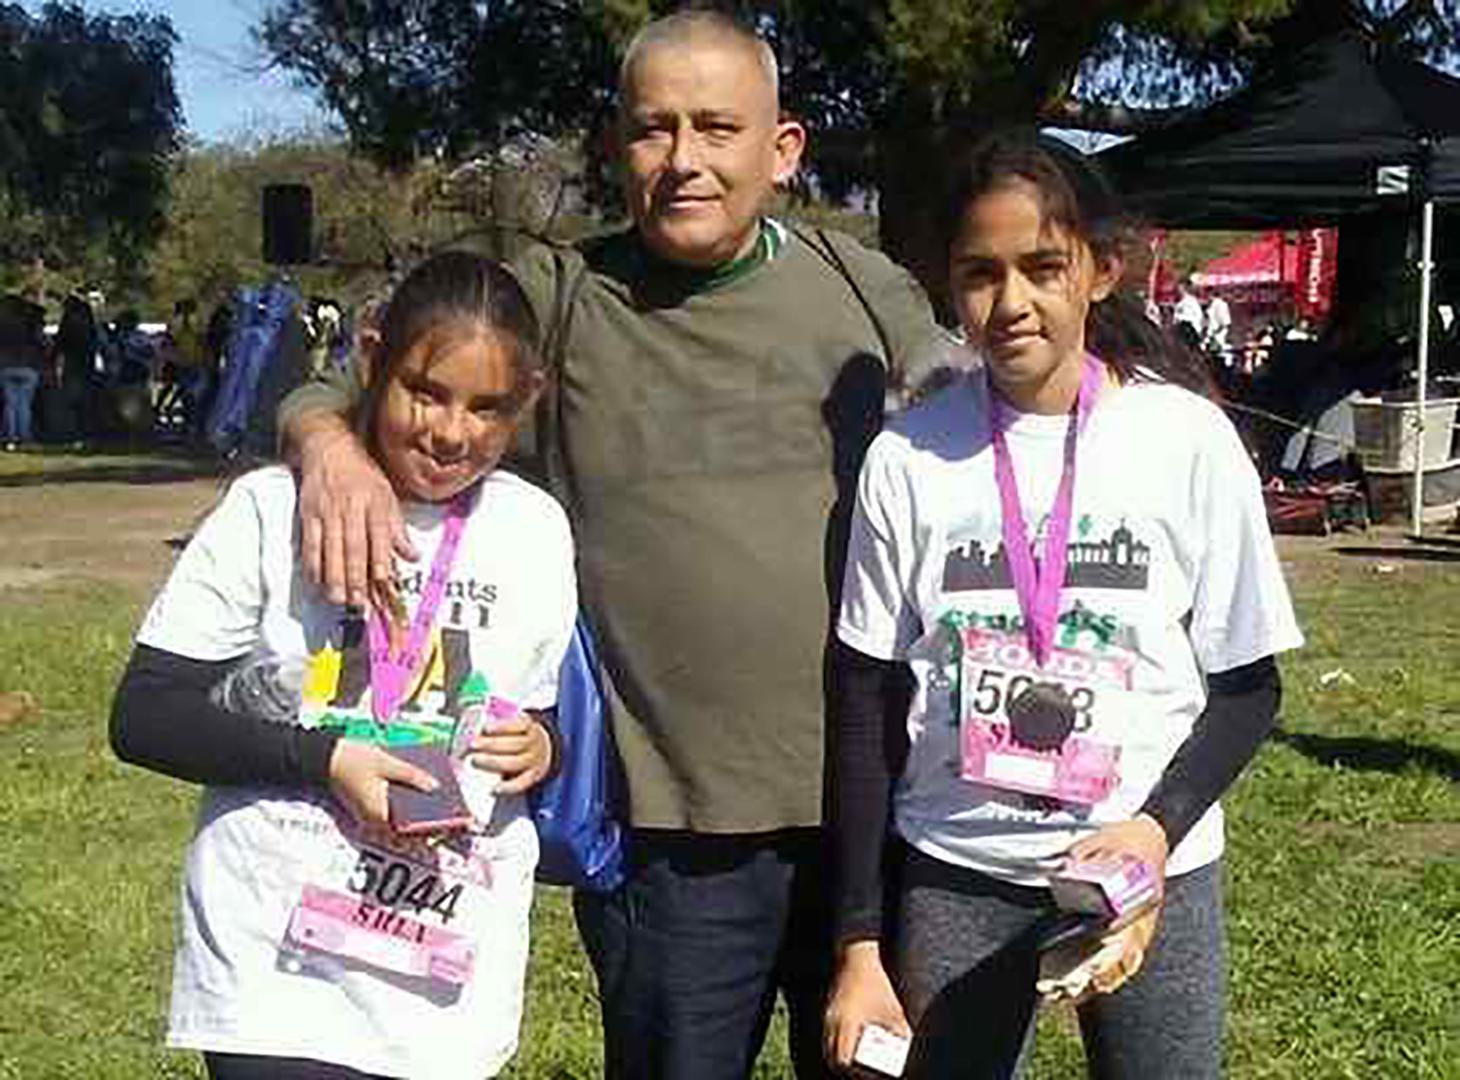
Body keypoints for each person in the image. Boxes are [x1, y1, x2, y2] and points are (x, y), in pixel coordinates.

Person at [278, 11, 941, 1078]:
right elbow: (376, 366)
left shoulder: (863, 289)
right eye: (651, 129)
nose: (683, 160)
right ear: (614, 147)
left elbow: (992, 413)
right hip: (666, 841)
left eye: (716, 128)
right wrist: (330, 446)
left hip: (868, 825)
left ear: (783, 149)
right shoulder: (565, 297)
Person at [823, 132, 1303, 1078]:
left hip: (1143, 873)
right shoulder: (908, 458)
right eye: (980, 273)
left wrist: (1154, 828)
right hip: (958, 869)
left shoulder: (1187, 440)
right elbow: (862, 698)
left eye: (1044, 267)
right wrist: (859, 941)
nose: (1011, 303)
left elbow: (1249, 689)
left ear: (1100, 269)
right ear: (949, 285)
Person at [110, 252, 577, 1080]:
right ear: (371, 359)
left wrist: (542, 749)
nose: (451, 431)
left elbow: (526, 712)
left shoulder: (534, 528)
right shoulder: (270, 507)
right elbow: (143, 714)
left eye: (487, 407)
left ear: (527, 401)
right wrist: (325, 760)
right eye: (425, 391)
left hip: (441, 975)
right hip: (278, 974)